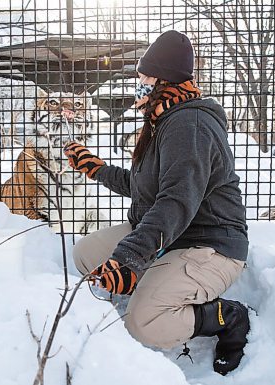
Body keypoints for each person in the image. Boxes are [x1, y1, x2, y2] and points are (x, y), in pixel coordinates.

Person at [63, 30, 250, 376]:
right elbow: (145, 188)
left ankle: (229, 317)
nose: (139, 82)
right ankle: (156, 275)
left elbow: (174, 203)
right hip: (174, 237)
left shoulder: (190, 125)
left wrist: (131, 257)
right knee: (85, 255)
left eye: (144, 76)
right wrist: (97, 168)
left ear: (163, 80)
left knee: (145, 321)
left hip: (209, 245)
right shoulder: (164, 119)